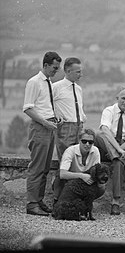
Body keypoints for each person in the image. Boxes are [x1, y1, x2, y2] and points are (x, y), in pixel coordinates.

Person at [23, 51, 62, 216]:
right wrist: (45, 122)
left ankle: (38, 201)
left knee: (45, 168)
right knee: (37, 167)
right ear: (45, 65)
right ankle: (32, 204)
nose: (56, 71)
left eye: (57, 68)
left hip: (49, 127)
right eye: (54, 68)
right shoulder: (34, 82)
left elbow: (44, 106)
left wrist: (54, 118)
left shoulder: (48, 83)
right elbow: (28, 108)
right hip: (40, 128)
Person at [94, 86, 125, 215]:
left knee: (118, 162)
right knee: (99, 134)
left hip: (120, 149)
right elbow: (105, 131)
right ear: (117, 98)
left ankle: (116, 202)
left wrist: (118, 150)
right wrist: (117, 149)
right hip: (104, 147)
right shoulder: (109, 111)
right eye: (123, 98)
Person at [53, 57, 86, 161]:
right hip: (65, 128)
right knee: (65, 160)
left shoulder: (78, 89)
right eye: (78, 72)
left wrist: (82, 118)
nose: (81, 75)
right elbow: (45, 105)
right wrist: (55, 116)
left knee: (78, 160)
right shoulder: (56, 87)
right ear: (68, 71)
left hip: (79, 127)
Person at [55, 128, 102, 200]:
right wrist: (81, 176)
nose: (87, 144)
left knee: (101, 187)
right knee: (59, 178)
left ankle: (85, 201)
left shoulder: (95, 151)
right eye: (84, 141)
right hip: (70, 180)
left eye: (90, 142)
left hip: (86, 181)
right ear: (79, 141)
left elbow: (98, 172)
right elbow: (62, 174)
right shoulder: (70, 151)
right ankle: (58, 200)